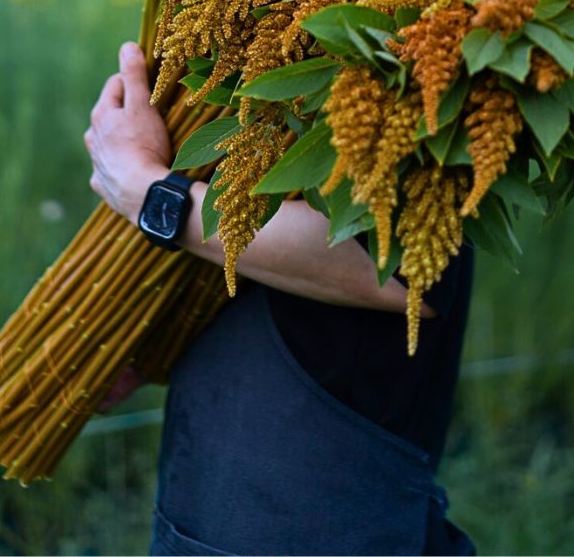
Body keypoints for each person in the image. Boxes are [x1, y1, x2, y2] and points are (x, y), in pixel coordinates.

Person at [85, 40, 478, 557]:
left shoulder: (421, 37)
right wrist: (142, 324)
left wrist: (150, 193)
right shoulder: (272, 18)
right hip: (222, 456)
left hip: (318, 489)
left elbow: (403, 271)